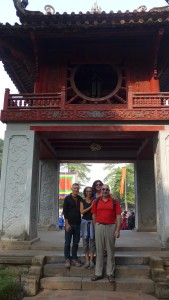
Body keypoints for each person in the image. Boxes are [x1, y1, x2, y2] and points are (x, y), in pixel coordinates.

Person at [91, 184, 122, 283]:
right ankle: (98, 273)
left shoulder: (114, 201)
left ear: (109, 190)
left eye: (106, 189)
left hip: (111, 226)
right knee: (99, 250)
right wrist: (96, 227)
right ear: (101, 191)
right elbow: (94, 215)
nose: (105, 191)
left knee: (110, 251)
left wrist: (117, 229)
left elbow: (118, 216)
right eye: (103, 189)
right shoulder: (96, 201)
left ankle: (110, 273)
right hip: (99, 226)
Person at [63, 183, 83, 268]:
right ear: (71, 188)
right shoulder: (67, 199)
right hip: (69, 224)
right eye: (74, 188)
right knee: (67, 242)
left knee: (76, 243)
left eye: (77, 188)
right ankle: (67, 258)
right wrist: (67, 224)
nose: (76, 190)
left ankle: (74, 258)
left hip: (78, 224)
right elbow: (65, 212)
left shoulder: (80, 198)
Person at [80, 186, 95, 268]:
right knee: (85, 241)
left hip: (92, 222)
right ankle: (87, 260)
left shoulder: (94, 200)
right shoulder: (82, 201)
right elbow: (82, 211)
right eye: (87, 191)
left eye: (90, 191)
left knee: (92, 241)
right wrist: (91, 207)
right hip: (84, 222)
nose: (89, 193)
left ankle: (92, 260)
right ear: (85, 192)